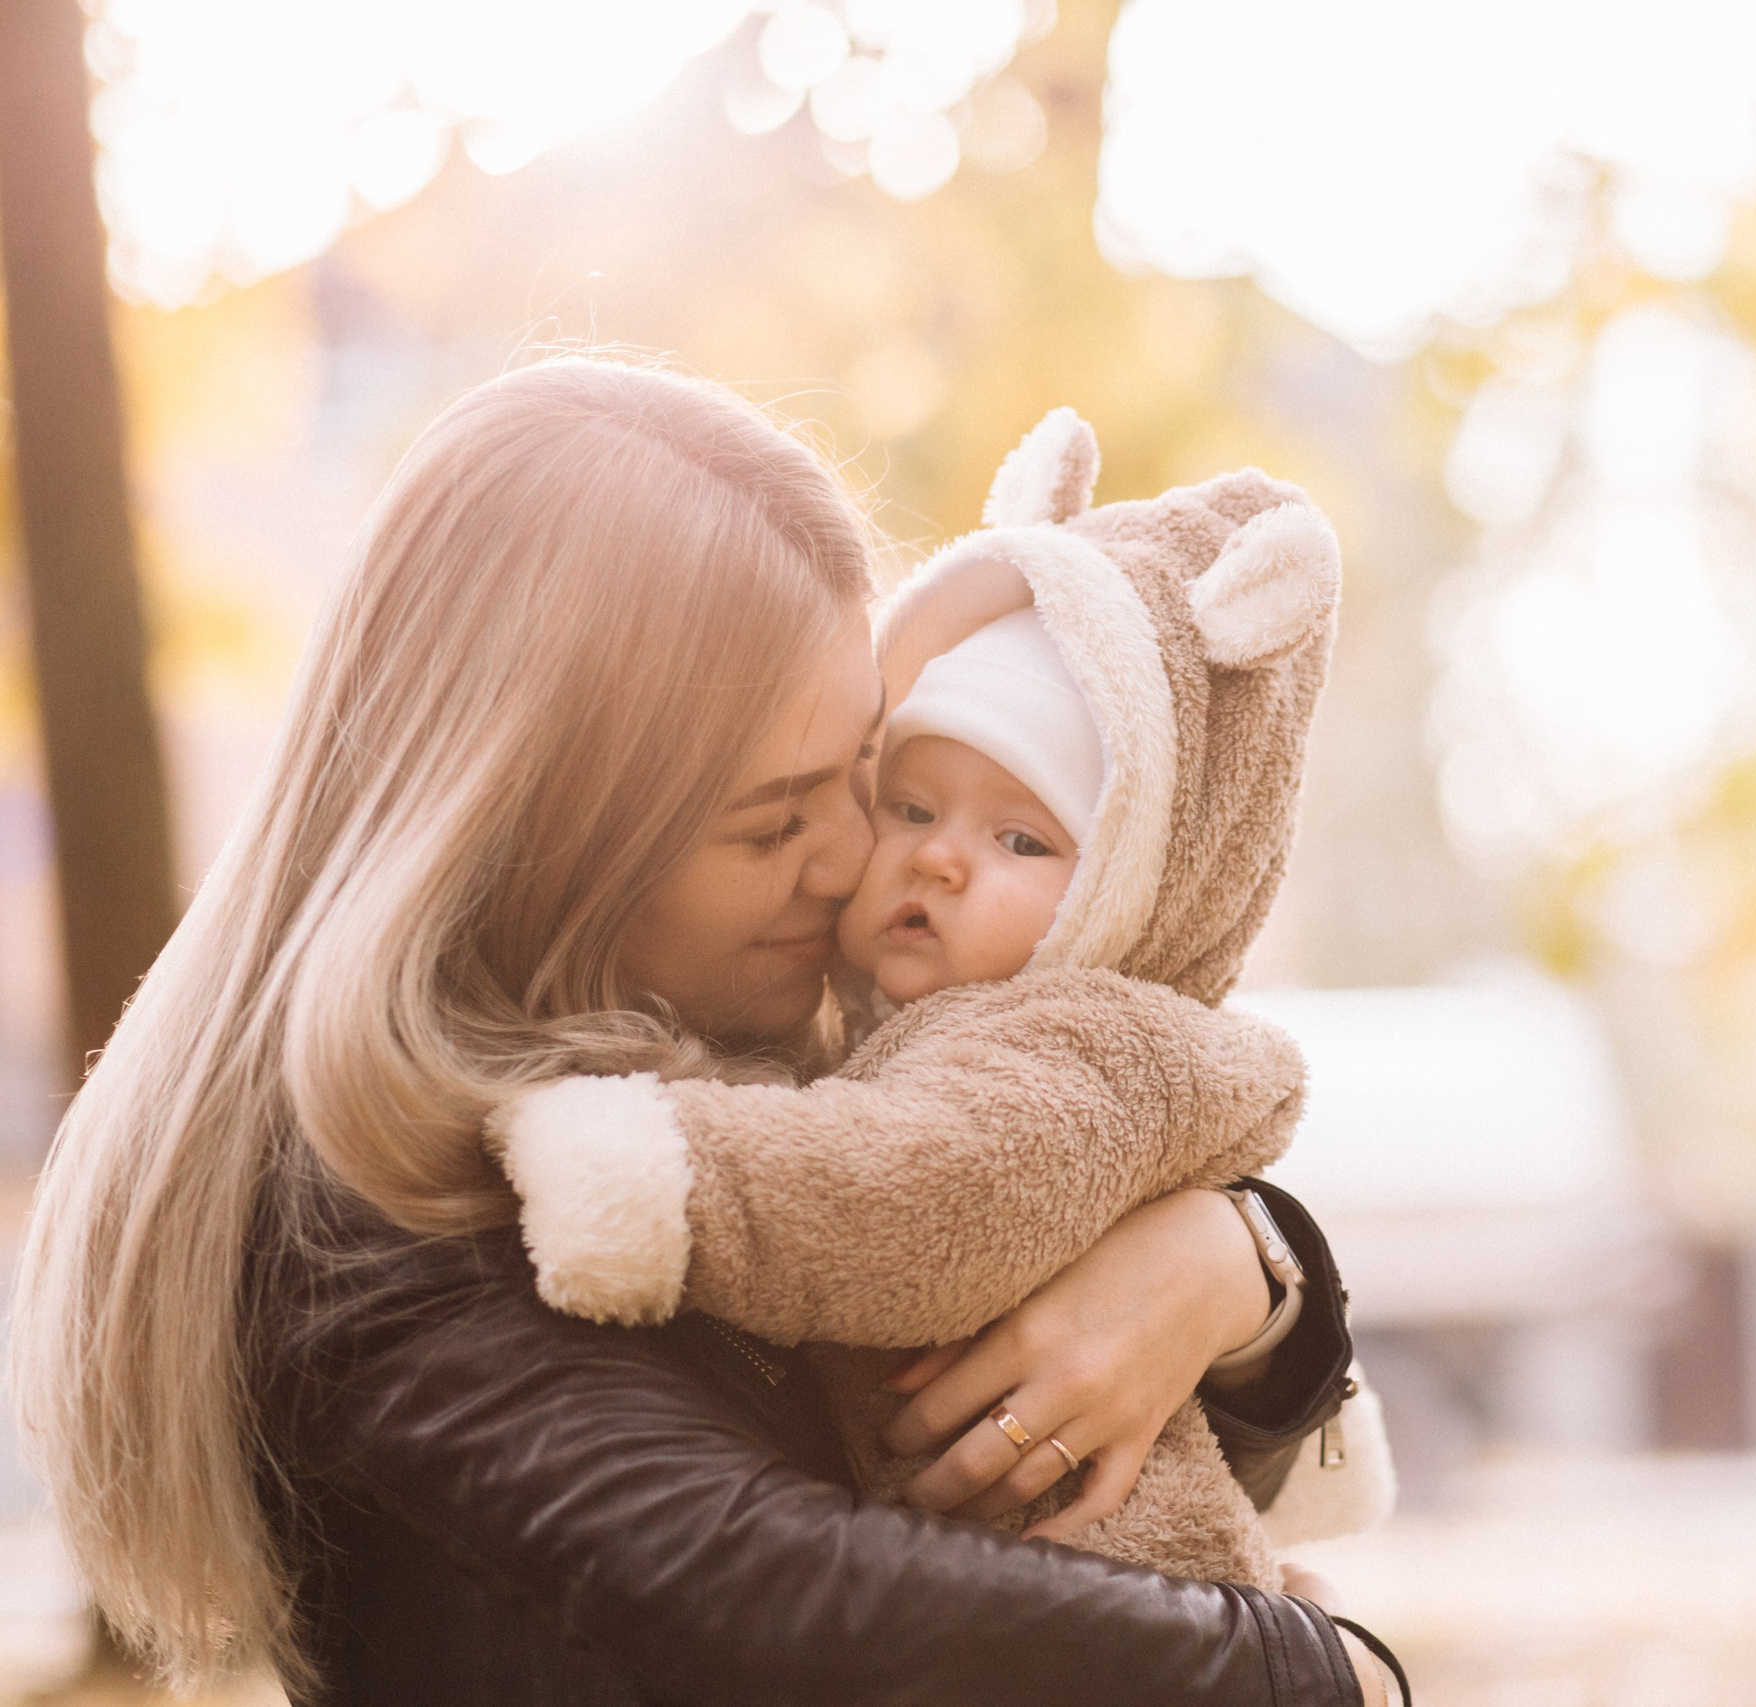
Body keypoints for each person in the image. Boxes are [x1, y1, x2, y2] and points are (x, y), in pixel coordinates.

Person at [10, 358, 1402, 1706]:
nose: (861, 852)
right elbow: (763, 1589)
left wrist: (1239, 1265)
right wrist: (1312, 1672)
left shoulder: (740, 1052)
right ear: (539, 833)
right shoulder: (371, 1194)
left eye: (869, 774)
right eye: (774, 818)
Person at [490, 410, 1395, 1594]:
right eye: (908, 806)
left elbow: (911, 1185)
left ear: (1127, 885)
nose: (918, 861)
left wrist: (650, 1176)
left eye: (1021, 838)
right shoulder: (876, 1035)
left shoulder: (1061, 1043)